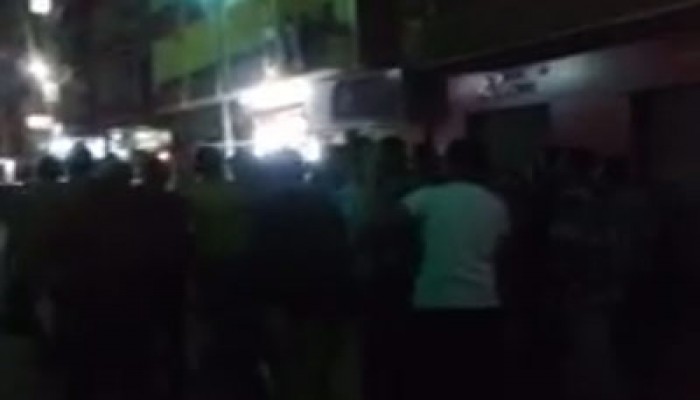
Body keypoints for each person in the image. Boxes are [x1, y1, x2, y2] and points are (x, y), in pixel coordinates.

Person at [403, 139, 509, 400]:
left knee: (436, 381)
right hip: (482, 301)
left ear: (449, 163)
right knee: (474, 382)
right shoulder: (496, 204)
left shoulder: (428, 196)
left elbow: (384, 220)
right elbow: (501, 253)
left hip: (435, 298)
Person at [251, 150, 356, 400]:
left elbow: (258, 252)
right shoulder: (324, 201)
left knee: (287, 358)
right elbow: (341, 243)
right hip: (321, 287)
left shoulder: (266, 204)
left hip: (281, 291)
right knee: (317, 355)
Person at [183, 147, 265, 399]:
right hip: (240, 265)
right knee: (238, 320)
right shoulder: (240, 193)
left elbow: (189, 236)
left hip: (209, 264)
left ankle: (218, 371)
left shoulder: (192, 195)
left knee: (213, 320)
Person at [134, 155, 191, 400]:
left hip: (143, 270)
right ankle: (177, 374)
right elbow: (187, 236)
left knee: (146, 325)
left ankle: (148, 375)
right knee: (174, 324)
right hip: (172, 269)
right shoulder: (177, 202)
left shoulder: (134, 204)